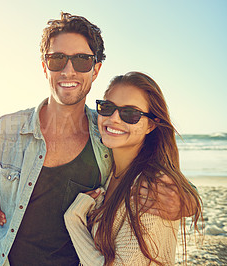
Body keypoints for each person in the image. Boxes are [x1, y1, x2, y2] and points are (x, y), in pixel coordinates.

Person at [0, 12, 197, 266]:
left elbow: (164, 179)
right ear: (44, 66)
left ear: (96, 69)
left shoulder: (108, 137)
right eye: (57, 59)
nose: (69, 71)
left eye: (82, 60)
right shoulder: (6, 130)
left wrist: (184, 202)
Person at [64, 72, 202, 265]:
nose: (114, 119)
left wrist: (73, 221)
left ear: (151, 125)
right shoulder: (108, 169)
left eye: (131, 114)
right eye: (107, 107)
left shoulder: (149, 190)